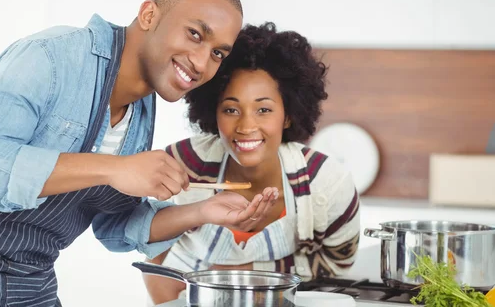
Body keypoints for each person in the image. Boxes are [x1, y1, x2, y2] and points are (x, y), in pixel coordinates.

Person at [0, 0, 277, 307]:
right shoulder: (50, 56)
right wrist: (112, 168)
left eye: (217, 53)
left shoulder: (141, 111)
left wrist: (199, 212)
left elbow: (114, 228)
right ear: (149, 15)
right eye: (195, 34)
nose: (200, 62)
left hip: (31, 282)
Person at [143, 23, 361, 305]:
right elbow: (153, 254)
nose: (246, 126)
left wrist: (230, 280)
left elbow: (335, 276)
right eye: (231, 109)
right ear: (214, 110)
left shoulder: (327, 183)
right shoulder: (182, 165)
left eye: (264, 109)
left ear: (287, 115)